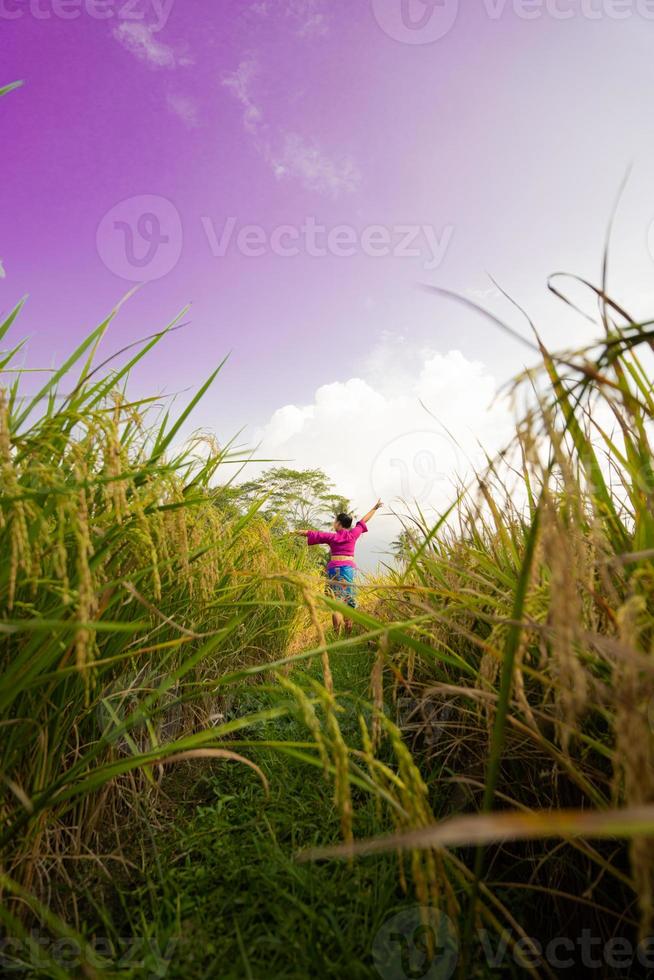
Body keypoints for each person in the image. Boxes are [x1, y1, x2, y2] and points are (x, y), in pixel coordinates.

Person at [295, 499, 383, 635]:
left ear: (339, 524)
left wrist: (296, 532)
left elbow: (313, 533)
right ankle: (348, 635)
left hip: (334, 570)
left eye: (335, 521)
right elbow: (364, 521)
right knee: (349, 602)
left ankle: (336, 635)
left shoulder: (332, 537)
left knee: (335, 602)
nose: (333, 523)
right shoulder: (354, 534)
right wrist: (375, 508)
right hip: (348, 570)